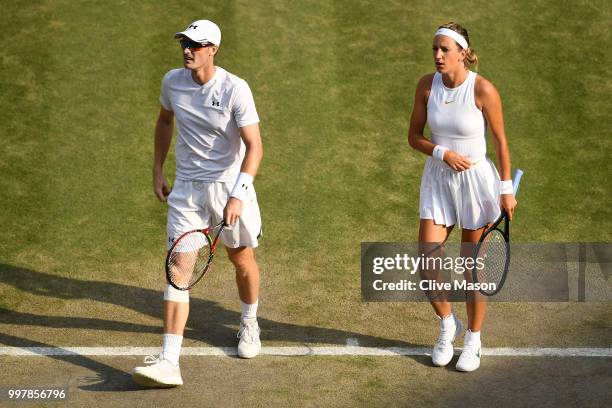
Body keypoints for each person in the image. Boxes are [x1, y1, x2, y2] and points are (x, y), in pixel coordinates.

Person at [132, 19, 264, 387]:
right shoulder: (172, 82)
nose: (187, 49)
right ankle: (169, 361)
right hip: (187, 190)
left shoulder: (236, 89)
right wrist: (158, 169)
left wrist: (239, 193)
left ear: (213, 50)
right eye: (184, 43)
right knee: (179, 267)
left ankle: (249, 322)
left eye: (196, 44)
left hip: (228, 187)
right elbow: (164, 122)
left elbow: (255, 146)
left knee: (241, 259)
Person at [407, 22, 517, 372]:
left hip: (476, 183)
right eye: (435, 50)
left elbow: (500, 142)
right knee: (427, 263)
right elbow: (414, 136)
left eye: (445, 50)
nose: (438, 56)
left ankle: (473, 340)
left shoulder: (483, 89)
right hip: (439, 179)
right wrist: (442, 154)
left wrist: (505, 189)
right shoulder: (427, 86)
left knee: (473, 268)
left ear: (462, 53)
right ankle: (446, 324)